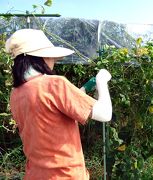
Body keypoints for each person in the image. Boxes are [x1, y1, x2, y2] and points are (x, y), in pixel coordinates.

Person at [5, 29, 112, 180]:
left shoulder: (16, 94)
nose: (53, 61)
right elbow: (105, 113)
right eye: (50, 56)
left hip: (35, 174)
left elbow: (51, 110)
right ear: (39, 58)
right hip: (66, 175)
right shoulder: (55, 84)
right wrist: (102, 82)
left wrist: (83, 89)